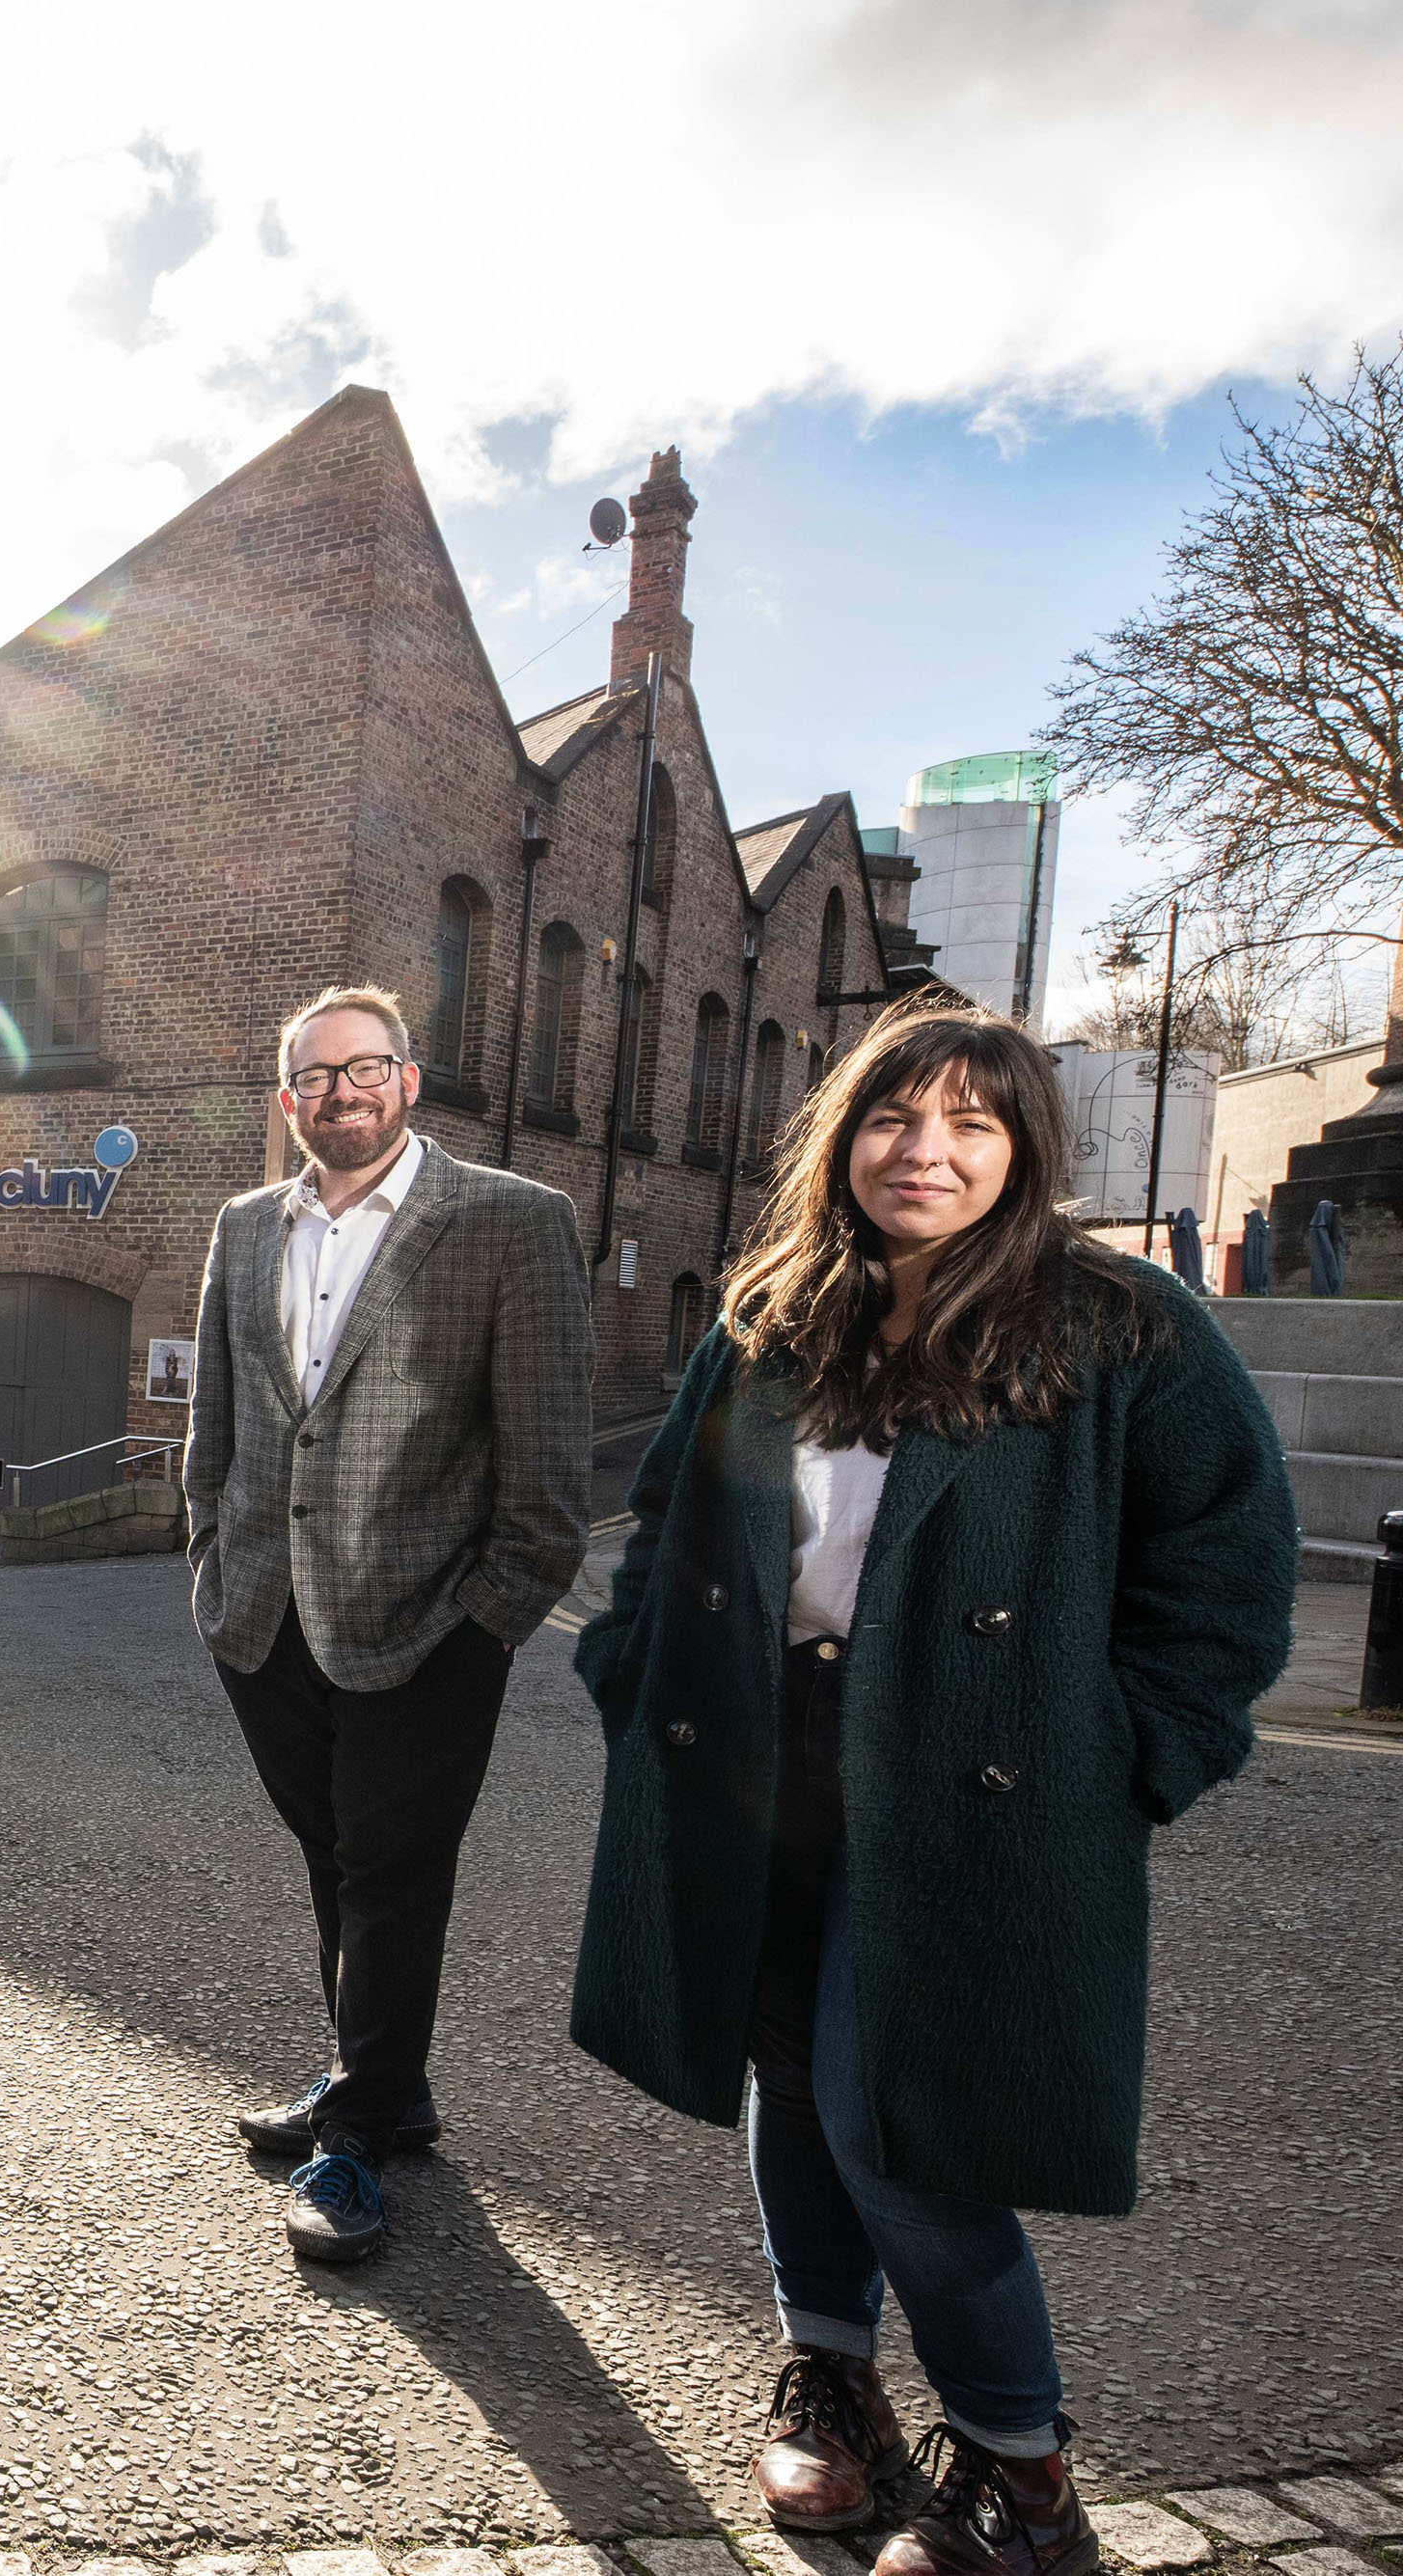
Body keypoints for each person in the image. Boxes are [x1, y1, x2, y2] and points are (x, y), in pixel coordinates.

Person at [571, 1005, 1293, 2576]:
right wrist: (633, 1673)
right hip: (761, 1760)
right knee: (787, 2090)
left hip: (981, 1784)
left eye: (974, 1123)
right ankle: (834, 2381)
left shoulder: (1123, 1321)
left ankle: (1024, 2480)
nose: (929, 1152)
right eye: (898, 1119)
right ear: (847, 1135)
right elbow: (664, 1517)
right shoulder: (771, 1313)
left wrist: (1129, 1762)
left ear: (1024, 1148)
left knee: (904, 2125)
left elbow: (1232, 1575)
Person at [184, 986, 593, 2264]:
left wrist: (492, 1620)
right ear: (287, 1097)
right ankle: (383, 2082)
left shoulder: (512, 1223)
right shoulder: (247, 1227)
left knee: (390, 1875)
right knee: (335, 1856)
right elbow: (216, 1427)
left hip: (429, 1627)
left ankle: (358, 2140)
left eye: (366, 1067)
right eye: (315, 1073)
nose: (341, 1090)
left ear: (410, 1082)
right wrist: (209, 1561)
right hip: (265, 1615)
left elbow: (546, 1464)